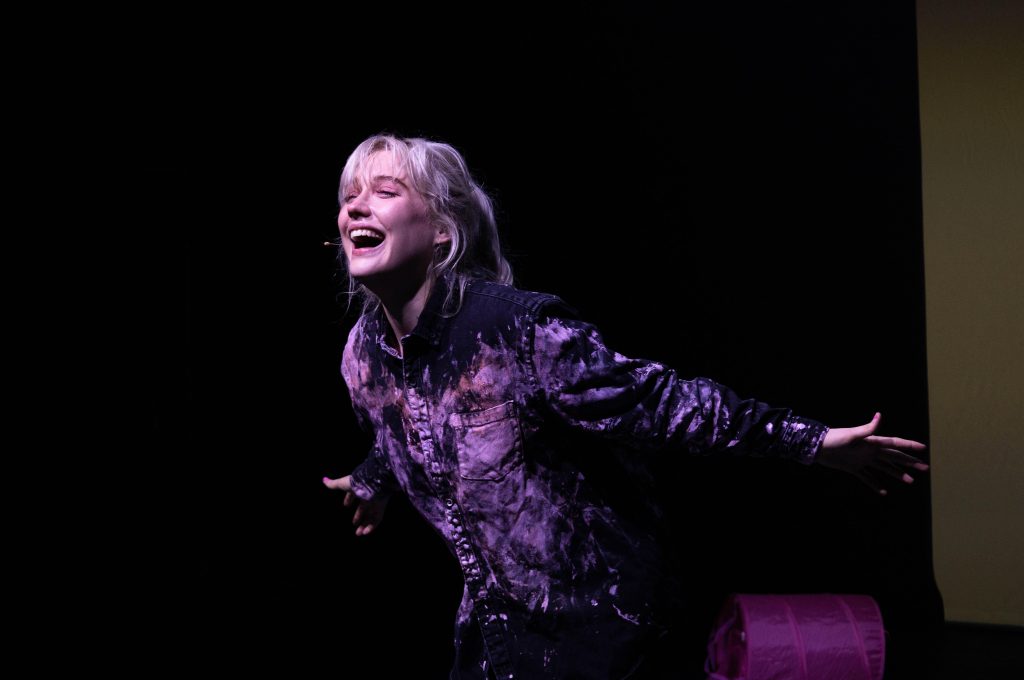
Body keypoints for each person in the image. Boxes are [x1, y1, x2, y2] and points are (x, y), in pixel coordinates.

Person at [321, 133, 929, 679]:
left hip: (605, 628)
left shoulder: (515, 330)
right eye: (349, 196)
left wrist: (811, 441)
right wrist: (377, 477)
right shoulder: (362, 359)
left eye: (385, 190)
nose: (356, 206)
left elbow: (663, 403)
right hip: (494, 634)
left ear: (442, 231)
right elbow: (409, 415)